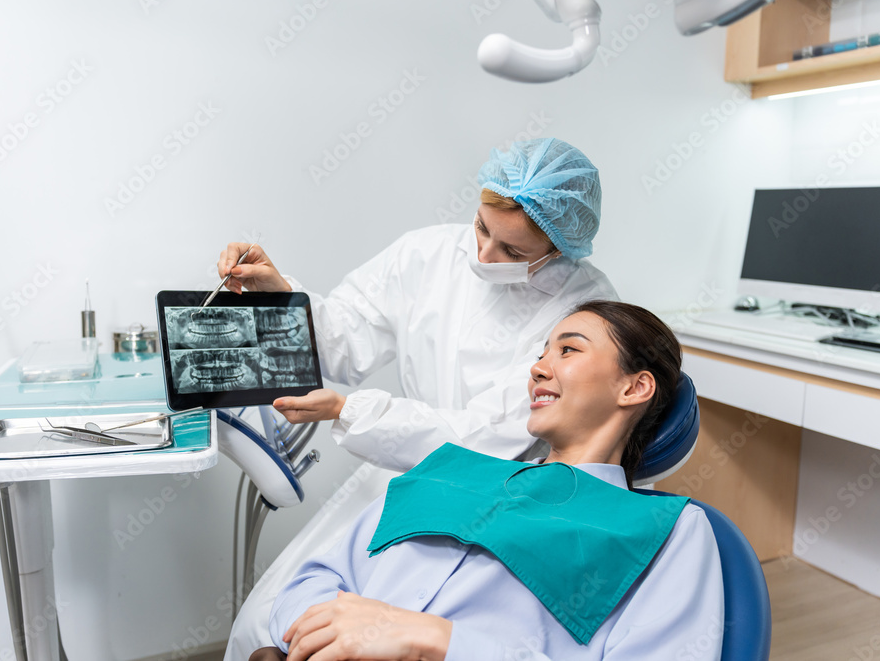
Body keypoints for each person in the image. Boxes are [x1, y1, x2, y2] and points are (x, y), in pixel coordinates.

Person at [220, 139, 620, 656]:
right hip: (403, 470)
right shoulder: (425, 253)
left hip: (508, 493)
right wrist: (280, 299)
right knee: (264, 625)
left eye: (513, 252)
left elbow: (488, 438)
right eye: (481, 228)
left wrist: (350, 410)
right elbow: (345, 337)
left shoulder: (584, 311)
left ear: (562, 245)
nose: (484, 255)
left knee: (404, 635)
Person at [257, 301, 723, 660]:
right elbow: (317, 577)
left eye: (569, 350)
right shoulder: (448, 473)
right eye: (541, 353)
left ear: (634, 387)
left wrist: (434, 640)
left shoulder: (667, 528)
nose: (539, 368)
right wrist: (329, 634)